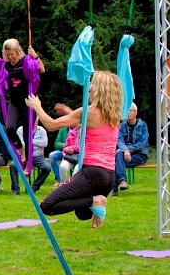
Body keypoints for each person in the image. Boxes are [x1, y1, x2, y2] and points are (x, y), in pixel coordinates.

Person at [25, 70, 122, 228]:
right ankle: (96, 202)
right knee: (82, 213)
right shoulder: (114, 114)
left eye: (92, 85)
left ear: (99, 90)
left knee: (47, 205)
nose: (89, 88)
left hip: (93, 172)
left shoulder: (89, 112)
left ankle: (96, 201)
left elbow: (50, 125)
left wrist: (37, 107)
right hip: (109, 176)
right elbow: (79, 123)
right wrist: (68, 111)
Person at [0, 39, 45, 167]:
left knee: (27, 133)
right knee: (9, 128)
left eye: (12, 54)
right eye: (8, 55)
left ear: (17, 51)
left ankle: (28, 163)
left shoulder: (26, 61)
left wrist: (35, 55)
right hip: (15, 102)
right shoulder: (6, 65)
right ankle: (22, 153)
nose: (11, 57)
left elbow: (42, 69)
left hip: (29, 102)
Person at [115, 103, 148, 191]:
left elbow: (142, 143)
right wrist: (125, 150)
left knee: (117, 161)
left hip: (139, 155)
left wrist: (128, 150)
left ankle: (114, 188)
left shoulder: (143, 126)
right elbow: (119, 140)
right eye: (126, 111)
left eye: (130, 111)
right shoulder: (122, 126)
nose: (128, 113)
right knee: (118, 156)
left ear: (136, 113)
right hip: (124, 154)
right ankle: (122, 181)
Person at [19, 120, 52, 192]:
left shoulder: (42, 130)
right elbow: (21, 144)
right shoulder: (21, 130)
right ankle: (15, 190)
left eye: (35, 121)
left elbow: (44, 143)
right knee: (13, 166)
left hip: (37, 156)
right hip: (23, 155)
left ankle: (34, 188)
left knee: (47, 168)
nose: (33, 123)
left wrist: (30, 141)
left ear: (37, 122)